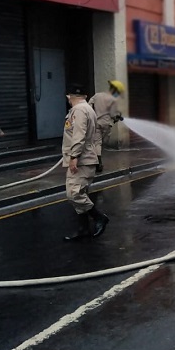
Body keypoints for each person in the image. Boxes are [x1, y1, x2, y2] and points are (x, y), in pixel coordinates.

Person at [63, 83, 110, 241]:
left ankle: (99, 217)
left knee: (74, 194)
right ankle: (83, 229)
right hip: (87, 158)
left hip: (82, 160)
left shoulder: (79, 110)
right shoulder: (88, 109)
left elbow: (79, 134)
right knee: (81, 193)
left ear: (69, 97)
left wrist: (74, 156)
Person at [88, 80, 124, 173]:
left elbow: (89, 105)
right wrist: (117, 118)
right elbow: (112, 114)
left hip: (96, 122)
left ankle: (98, 163)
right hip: (106, 123)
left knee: (97, 143)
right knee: (103, 142)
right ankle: (98, 163)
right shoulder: (113, 99)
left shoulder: (97, 95)